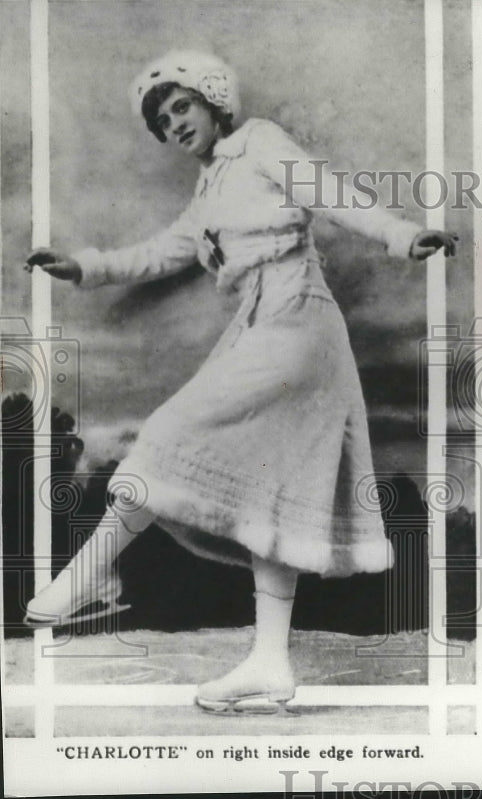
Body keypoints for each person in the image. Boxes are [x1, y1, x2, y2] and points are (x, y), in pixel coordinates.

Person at [24, 50, 457, 713]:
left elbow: (327, 191)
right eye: (162, 120)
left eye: (181, 107)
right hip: (260, 326)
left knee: (170, 428)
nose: (173, 124)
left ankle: (92, 570)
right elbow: (162, 251)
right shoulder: (206, 193)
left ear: (213, 102)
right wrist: (83, 267)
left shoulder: (259, 143)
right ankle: (269, 662)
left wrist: (401, 234)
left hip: (299, 322)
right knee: (271, 498)